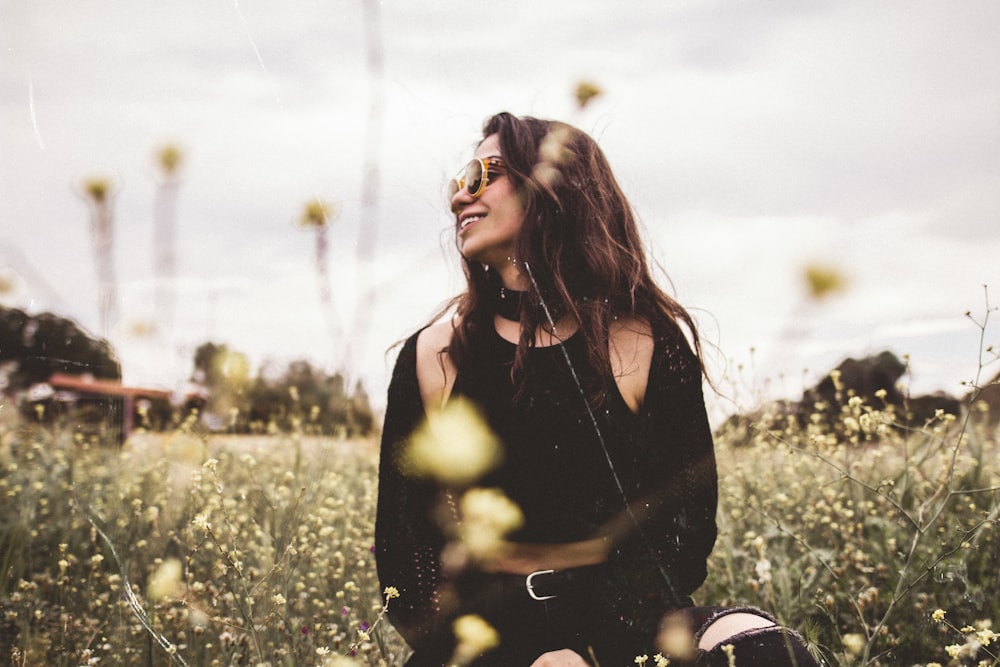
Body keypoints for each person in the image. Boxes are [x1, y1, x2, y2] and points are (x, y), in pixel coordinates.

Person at [375, 112, 817, 666]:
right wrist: (523, 656)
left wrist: (594, 648)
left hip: (627, 615)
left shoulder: (643, 342)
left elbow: (684, 527)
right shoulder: (434, 355)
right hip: (484, 630)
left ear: (550, 184)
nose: (458, 198)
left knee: (767, 653)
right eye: (456, 184)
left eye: (479, 174)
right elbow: (406, 556)